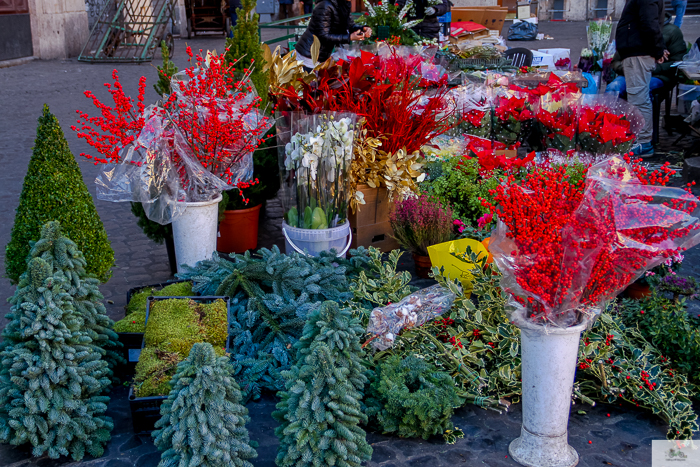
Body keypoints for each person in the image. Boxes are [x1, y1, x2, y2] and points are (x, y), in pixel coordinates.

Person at [615, 0, 667, 157]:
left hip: (638, 52)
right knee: (637, 97)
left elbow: (650, 24)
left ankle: (643, 142)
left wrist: (658, 50)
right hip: (637, 51)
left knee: (639, 97)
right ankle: (640, 140)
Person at [607, 11, 686, 97]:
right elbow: (616, 61)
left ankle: (639, 110)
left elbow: (677, 62)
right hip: (630, 74)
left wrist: (650, 69)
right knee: (613, 88)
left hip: (657, 76)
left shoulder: (672, 31)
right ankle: (607, 110)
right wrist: (628, 69)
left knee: (641, 90)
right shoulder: (631, 29)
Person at [294, 0, 372, 69]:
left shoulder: (344, 4)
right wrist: (349, 37)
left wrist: (363, 29)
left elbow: (350, 25)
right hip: (309, 54)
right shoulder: (325, 5)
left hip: (322, 55)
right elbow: (323, 36)